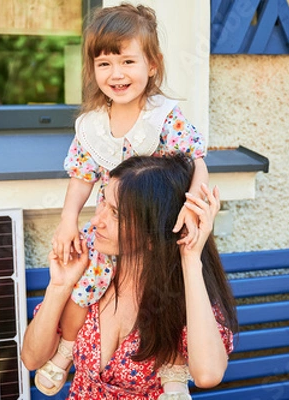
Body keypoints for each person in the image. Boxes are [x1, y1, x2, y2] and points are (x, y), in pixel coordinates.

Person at [43, 3, 209, 396]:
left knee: (167, 298)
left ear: (152, 65)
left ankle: (172, 371)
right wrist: (68, 219)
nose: (116, 74)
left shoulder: (164, 116)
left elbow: (196, 162)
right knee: (85, 287)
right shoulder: (92, 125)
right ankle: (66, 351)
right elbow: (82, 176)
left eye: (128, 61)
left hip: (158, 231)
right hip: (112, 230)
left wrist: (192, 205)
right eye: (104, 64)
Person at [22, 154, 238, 399]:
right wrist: (59, 286)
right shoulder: (91, 280)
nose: (96, 221)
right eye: (103, 201)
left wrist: (190, 260)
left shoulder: (182, 296)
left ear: (153, 233)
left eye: (116, 213)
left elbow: (208, 375)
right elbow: (31, 359)